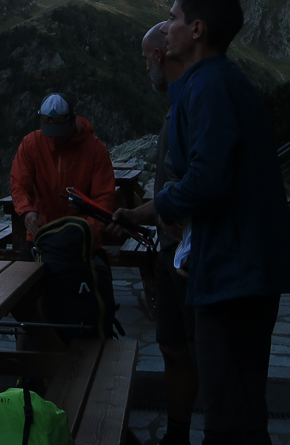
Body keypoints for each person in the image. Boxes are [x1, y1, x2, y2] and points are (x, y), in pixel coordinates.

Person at [155, 0, 290, 445]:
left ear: (197, 29)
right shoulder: (212, 82)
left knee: (231, 417)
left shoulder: (212, 86)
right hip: (230, 267)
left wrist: (158, 207)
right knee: (234, 406)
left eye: (173, 18)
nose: (166, 28)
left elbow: (208, 179)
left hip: (235, 274)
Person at [115, 23, 196, 445]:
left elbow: (201, 181)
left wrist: (166, 211)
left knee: (195, 349)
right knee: (172, 346)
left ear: (159, 57)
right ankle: (176, 435)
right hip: (168, 251)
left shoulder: (191, 103)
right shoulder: (176, 105)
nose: (145, 67)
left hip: (187, 254)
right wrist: (139, 214)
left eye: (146, 59)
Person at [10, 92, 116, 250]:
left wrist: (88, 229)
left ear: (73, 119)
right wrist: (27, 212)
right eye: (50, 131)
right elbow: (19, 184)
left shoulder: (95, 148)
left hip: (82, 238)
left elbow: (104, 196)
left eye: (60, 131)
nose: (55, 137)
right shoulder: (31, 144)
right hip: (42, 234)